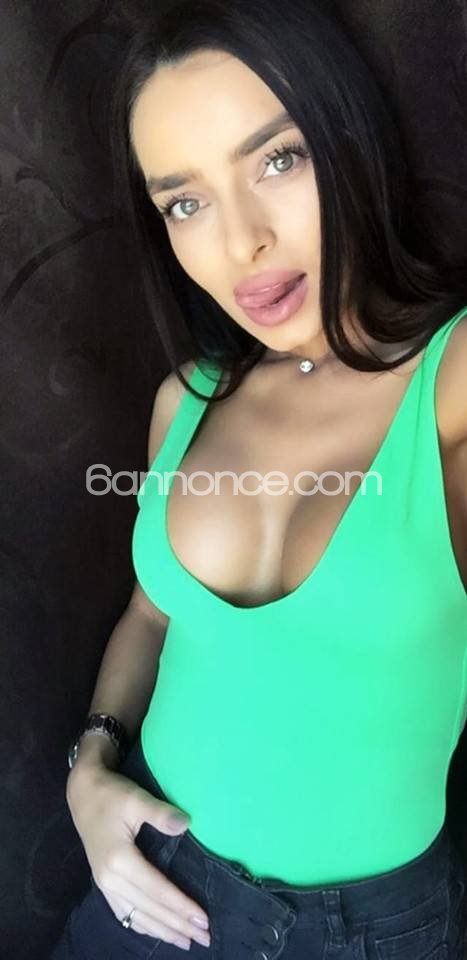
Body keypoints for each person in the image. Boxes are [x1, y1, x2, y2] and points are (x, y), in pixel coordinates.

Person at [51, 0, 467, 957]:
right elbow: (152, 612)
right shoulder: (187, 399)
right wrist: (91, 767)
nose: (239, 242)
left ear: (349, 142)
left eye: (277, 160)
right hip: (148, 880)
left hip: (367, 930)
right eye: (184, 202)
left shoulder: (448, 385)